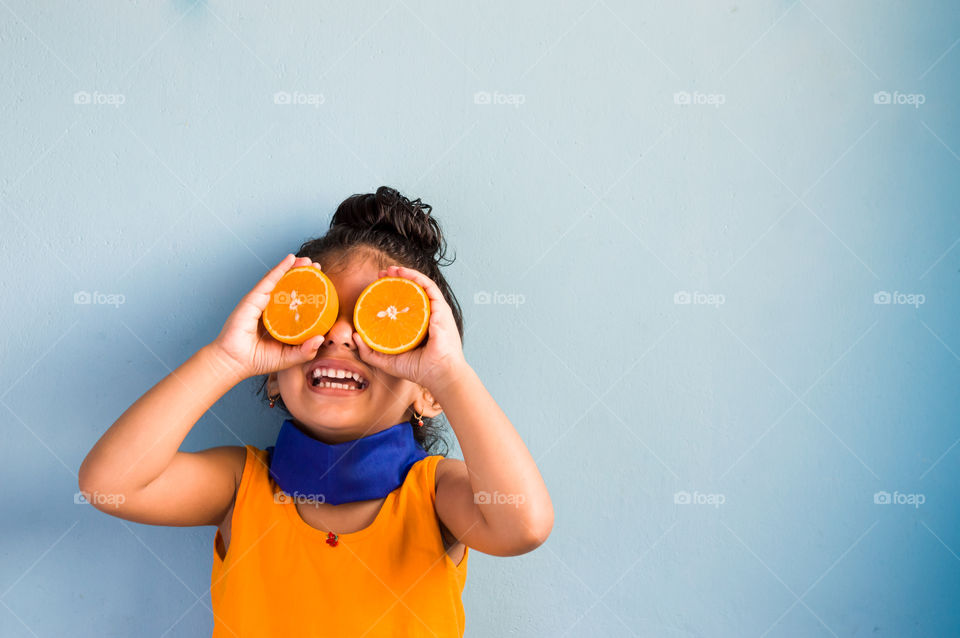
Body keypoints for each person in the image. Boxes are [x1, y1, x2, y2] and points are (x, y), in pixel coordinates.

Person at [78, 186, 554, 636]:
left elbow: (524, 527)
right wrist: (225, 360)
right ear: (273, 376)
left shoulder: (436, 495)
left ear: (427, 394)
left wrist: (451, 375)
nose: (340, 335)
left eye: (378, 323)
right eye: (316, 315)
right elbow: (110, 485)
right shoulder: (239, 486)